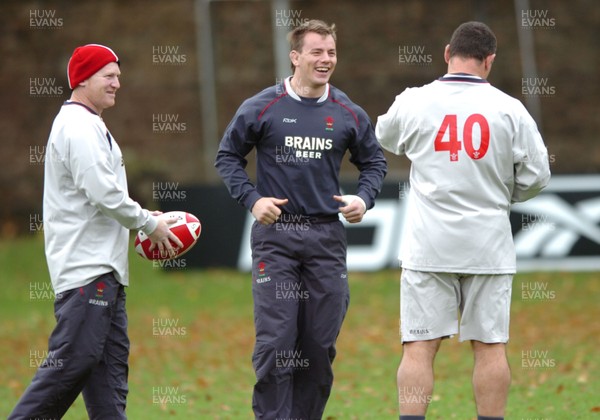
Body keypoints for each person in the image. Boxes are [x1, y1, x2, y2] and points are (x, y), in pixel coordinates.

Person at [376, 22, 550, 420]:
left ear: (446, 52)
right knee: (490, 346)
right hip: (487, 245)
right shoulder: (510, 109)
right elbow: (538, 174)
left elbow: (383, 136)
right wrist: (504, 193)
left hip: (428, 246)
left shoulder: (414, 101)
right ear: (490, 60)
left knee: (418, 347)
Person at [215, 19, 386, 419]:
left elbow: (374, 161)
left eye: (331, 53)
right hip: (276, 239)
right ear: (295, 57)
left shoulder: (348, 112)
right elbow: (228, 157)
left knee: (318, 347)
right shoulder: (262, 107)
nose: (325, 60)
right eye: (316, 52)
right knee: (277, 344)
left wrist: (364, 197)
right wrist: (254, 200)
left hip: (326, 239)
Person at [9, 44, 182, 419]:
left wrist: (139, 214)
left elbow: (105, 193)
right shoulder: (78, 126)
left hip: (104, 273)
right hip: (88, 272)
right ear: (83, 79)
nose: (118, 83)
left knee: (109, 378)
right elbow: (103, 193)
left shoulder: (89, 123)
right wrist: (149, 224)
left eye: (118, 75)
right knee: (71, 365)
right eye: (109, 75)